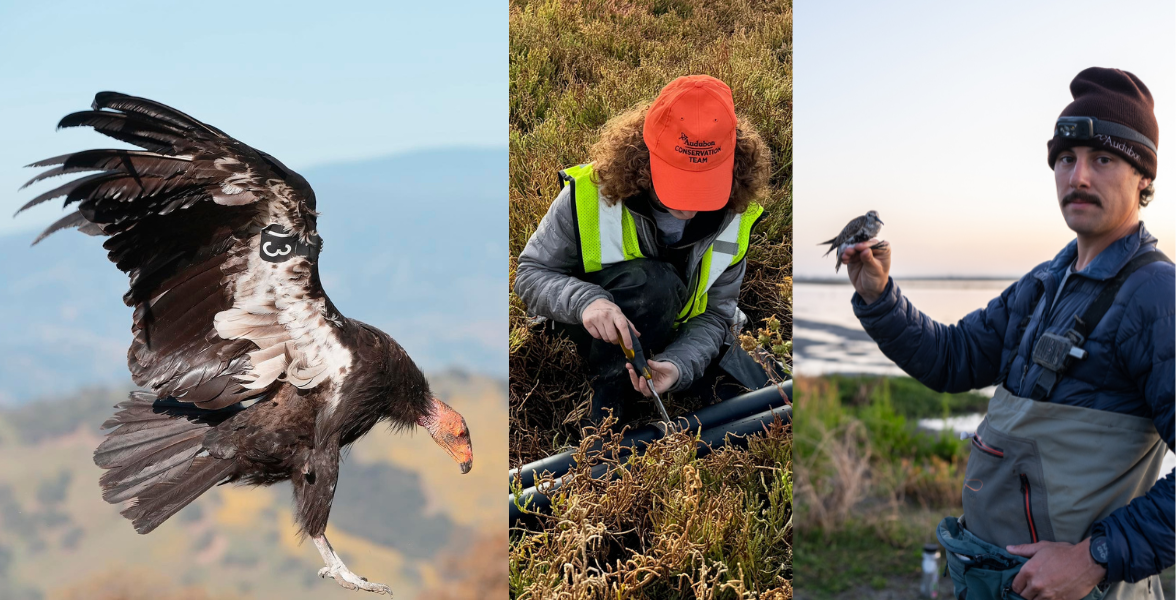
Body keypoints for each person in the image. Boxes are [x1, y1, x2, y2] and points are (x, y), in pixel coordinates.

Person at [843, 67, 1173, 600]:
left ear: (1143, 177)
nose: (1079, 176)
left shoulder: (1158, 296)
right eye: (1066, 159)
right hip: (998, 581)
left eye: (1103, 159)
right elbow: (952, 359)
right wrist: (880, 298)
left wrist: (1095, 557)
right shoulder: (1046, 283)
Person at [513, 74, 774, 426]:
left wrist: (678, 365)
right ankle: (607, 408)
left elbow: (716, 315)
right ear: (644, 157)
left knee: (742, 381)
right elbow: (530, 275)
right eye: (680, 181)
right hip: (587, 327)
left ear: (733, 166)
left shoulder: (736, 217)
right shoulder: (590, 194)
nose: (691, 206)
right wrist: (586, 300)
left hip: (672, 332)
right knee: (655, 284)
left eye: (705, 185)